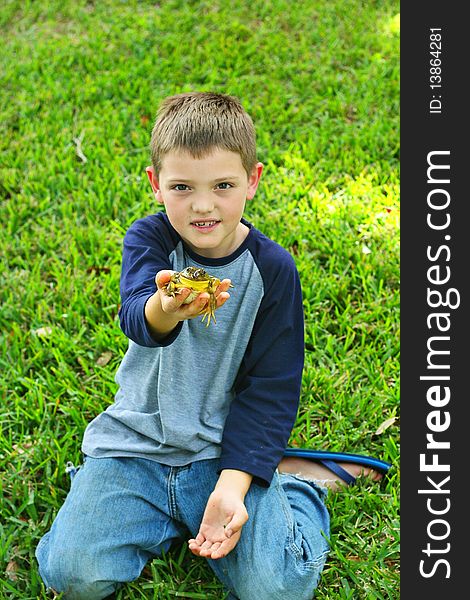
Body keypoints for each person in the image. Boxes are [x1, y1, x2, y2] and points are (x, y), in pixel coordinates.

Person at [36, 92, 386, 600]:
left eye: (223, 185)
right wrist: (167, 307)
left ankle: (298, 487)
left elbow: (271, 386)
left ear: (253, 179)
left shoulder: (272, 271)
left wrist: (234, 483)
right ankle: (143, 504)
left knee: (279, 588)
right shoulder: (150, 241)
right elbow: (137, 316)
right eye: (182, 187)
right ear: (156, 186)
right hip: (136, 449)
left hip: (223, 452)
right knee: (71, 574)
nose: (203, 205)